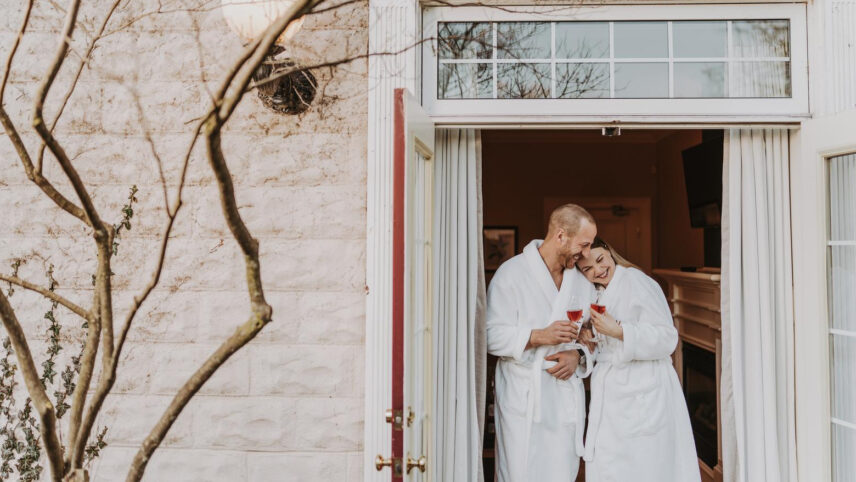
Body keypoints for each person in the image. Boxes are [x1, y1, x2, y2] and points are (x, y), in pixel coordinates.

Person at [486, 204, 598, 482]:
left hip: (564, 397)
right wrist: (538, 336)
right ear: (561, 236)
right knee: (519, 471)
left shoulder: (582, 283)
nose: (586, 254)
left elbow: (595, 336)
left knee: (562, 471)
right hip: (524, 395)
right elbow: (489, 336)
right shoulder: (510, 274)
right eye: (583, 245)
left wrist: (578, 356)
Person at [576, 237, 700, 482]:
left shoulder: (637, 281)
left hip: (644, 389)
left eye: (600, 260)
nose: (598, 271)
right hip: (614, 391)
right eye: (587, 269)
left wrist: (620, 330)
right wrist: (589, 338)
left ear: (610, 253)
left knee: (646, 466)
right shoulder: (598, 292)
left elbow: (667, 338)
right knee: (614, 464)